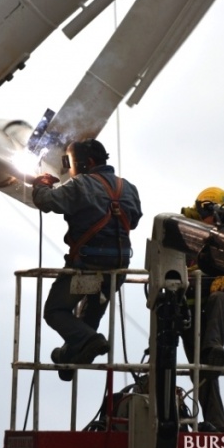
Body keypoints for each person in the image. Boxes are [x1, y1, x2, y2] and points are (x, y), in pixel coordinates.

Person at [32, 138, 142, 381]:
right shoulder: (129, 188)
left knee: (56, 310)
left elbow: (45, 201)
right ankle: (69, 358)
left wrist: (41, 184)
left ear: (87, 162)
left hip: (86, 267)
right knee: (88, 321)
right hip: (117, 271)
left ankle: (88, 342)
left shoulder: (81, 184)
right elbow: (133, 220)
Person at [180, 187, 224, 432]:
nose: (218, 221)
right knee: (201, 371)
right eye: (215, 215)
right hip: (189, 310)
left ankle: (214, 348)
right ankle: (216, 424)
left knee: (218, 300)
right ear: (202, 210)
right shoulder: (182, 234)